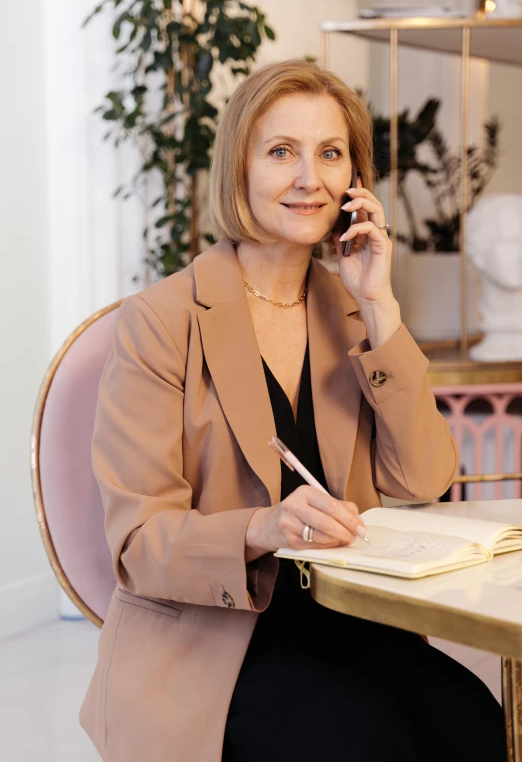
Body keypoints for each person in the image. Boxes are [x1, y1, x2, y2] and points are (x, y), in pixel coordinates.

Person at [80, 59, 507, 762]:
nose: (310, 178)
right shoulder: (160, 320)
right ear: (239, 169)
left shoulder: (353, 312)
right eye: (282, 152)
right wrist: (263, 525)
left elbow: (425, 477)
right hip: (212, 646)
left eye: (330, 153)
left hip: (353, 620)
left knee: (475, 725)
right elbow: (138, 544)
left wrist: (380, 307)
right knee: (364, 741)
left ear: (354, 179)